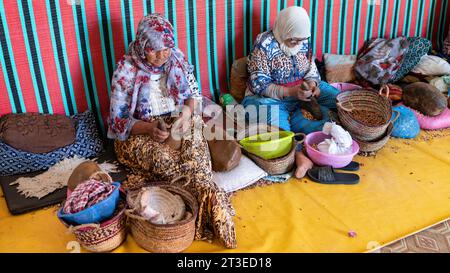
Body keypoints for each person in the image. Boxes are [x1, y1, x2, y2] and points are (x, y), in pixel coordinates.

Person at [108, 14, 236, 249]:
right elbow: (118, 123)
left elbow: (194, 97)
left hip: (178, 119)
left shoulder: (177, 59)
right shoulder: (125, 72)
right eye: (155, 50)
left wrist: (186, 115)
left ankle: (205, 198)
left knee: (196, 153)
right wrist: (149, 128)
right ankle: (208, 203)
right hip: (139, 133)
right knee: (168, 160)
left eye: (167, 48)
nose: (162, 55)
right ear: (143, 46)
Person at [243, 6, 339, 135]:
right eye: (294, 39)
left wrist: (312, 84)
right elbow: (259, 85)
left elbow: (311, 68)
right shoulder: (264, 44)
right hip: (270, 99)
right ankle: (293, 121)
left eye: (301, 40)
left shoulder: (303, 41)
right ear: (285, 29)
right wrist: (290, 91)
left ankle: (300, 118)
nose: (298, 43)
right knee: (279, 134)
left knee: (340, 100)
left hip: (301, 92)